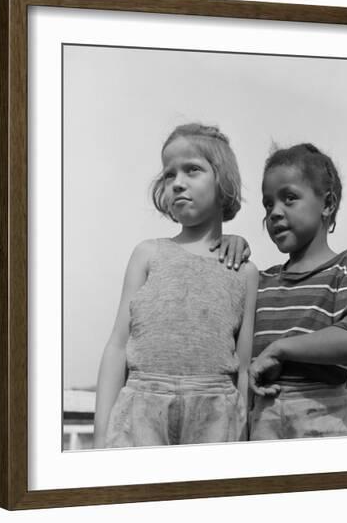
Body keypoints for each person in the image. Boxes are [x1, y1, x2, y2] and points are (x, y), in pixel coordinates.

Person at [93, 123, 259, 448]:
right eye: (170, 175)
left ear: (222, 180)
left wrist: (245, 441)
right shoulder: (147, 254)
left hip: (217, 413)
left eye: (192, 170)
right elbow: (116, 346)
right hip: (140, 407)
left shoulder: (244, 271)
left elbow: (243, 367)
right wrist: (101, 434)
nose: (178, 183)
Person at [221, 143, 347, 439]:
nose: (274, 213)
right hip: (262, 422)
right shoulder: (261, 281)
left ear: (328, 204)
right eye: (268, 204)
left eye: (289, 198)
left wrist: (282, 348)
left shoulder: (346, 266)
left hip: (330, 418)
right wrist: (224, 244)